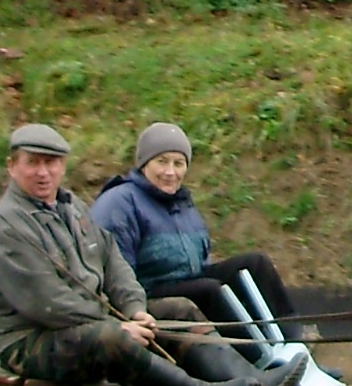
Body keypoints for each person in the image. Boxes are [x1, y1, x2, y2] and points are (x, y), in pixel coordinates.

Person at [0, 122, 305, 386]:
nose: (44, 172)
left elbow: (112, 260)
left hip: (90, 319)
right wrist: (118, 324)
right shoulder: (7, 227)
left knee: (179, 309)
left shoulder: (70, 206)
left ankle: (255, 381)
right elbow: (48, 304)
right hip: (32, 340)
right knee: (114, 340)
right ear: (12, 166)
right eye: (33, 162)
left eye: (52, 163)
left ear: (63, 166)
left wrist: (136, 308)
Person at [91, 121, 304, 346]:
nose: (170, 172)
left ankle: (295, 344)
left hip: (187, 279)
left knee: (255, 264)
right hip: (147, 292)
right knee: (208, 289)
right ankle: (257, 355)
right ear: (144, 164)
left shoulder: (181, 203)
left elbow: (201, 260)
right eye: (161, 162)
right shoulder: (120, 202)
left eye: (178, 163)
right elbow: (115, 270)